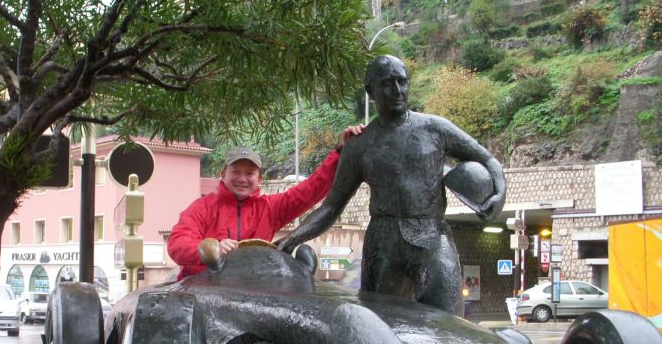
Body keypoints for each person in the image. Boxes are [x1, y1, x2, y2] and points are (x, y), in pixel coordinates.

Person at [277, 55, 506, 315]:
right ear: (370, 91)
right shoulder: (359, 145)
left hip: (431, 235)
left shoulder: (436, 129)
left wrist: (499, 194)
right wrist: (292, 239)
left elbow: (487, 159)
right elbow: (331, 207)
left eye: (402, 82)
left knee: (448, 321)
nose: (397, 90)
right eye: (387, 83)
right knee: (382, 325)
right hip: (382, 244)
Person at [168, 125, 365, 279]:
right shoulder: (202, 207)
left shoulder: (270, 208)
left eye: (249, 173)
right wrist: (211, 249)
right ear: (223, 174)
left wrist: (342, 151)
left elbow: (310, 190)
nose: (242, 179)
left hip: (253, 289)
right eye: (236, 172)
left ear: (259, 179)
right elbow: (177, 243)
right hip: (204, 288)